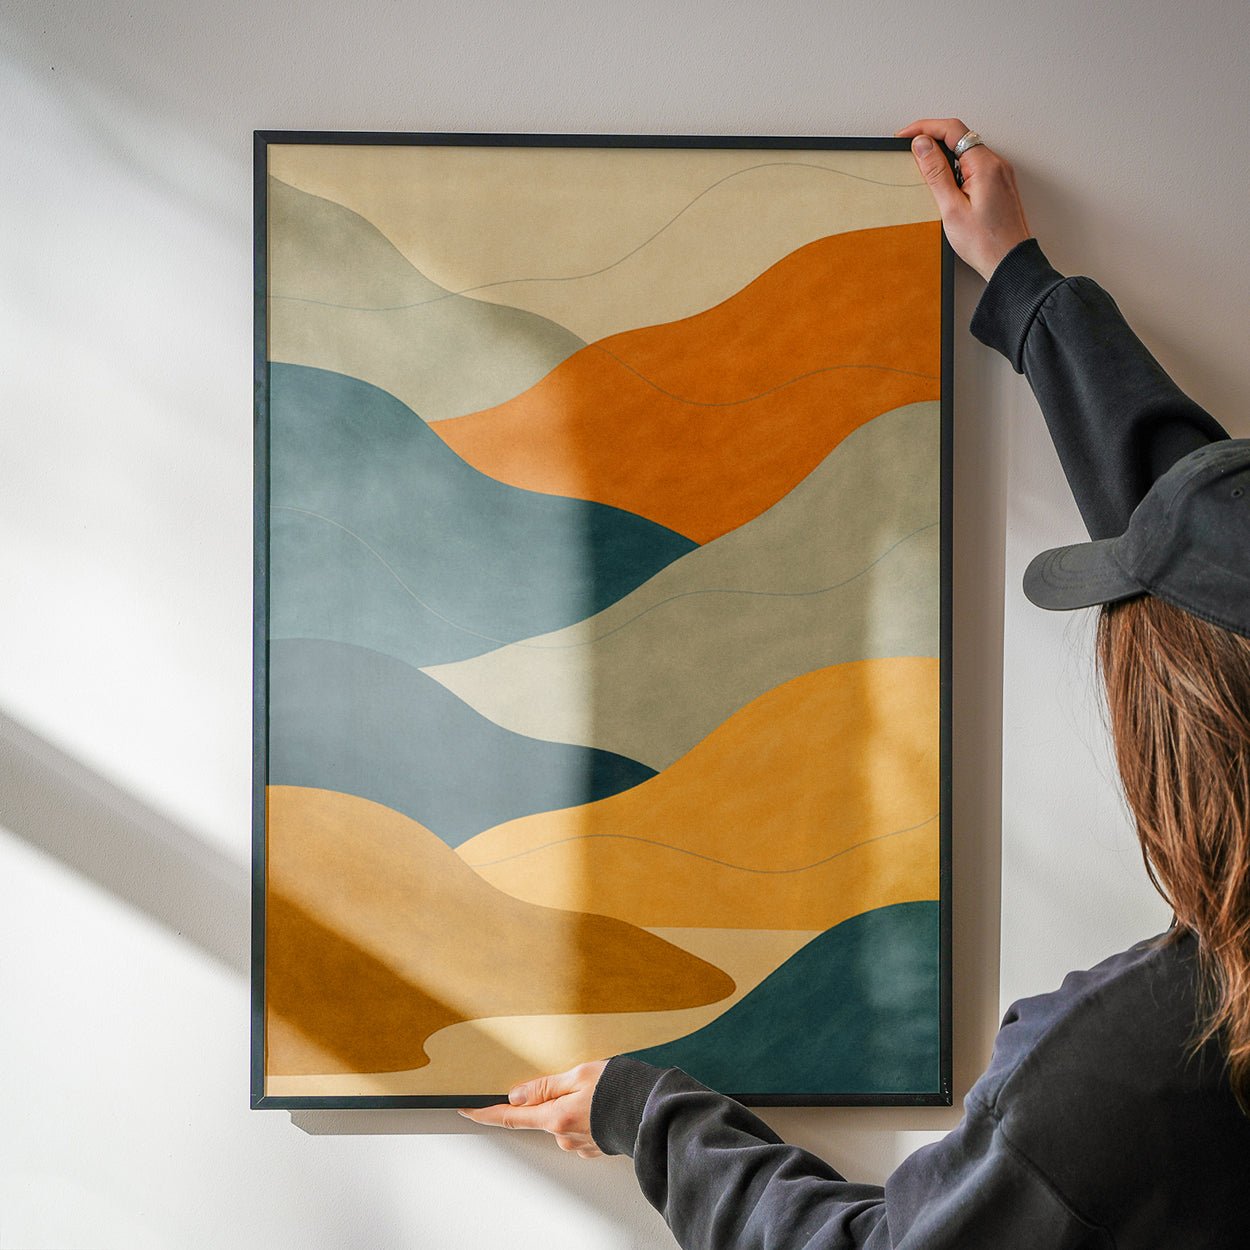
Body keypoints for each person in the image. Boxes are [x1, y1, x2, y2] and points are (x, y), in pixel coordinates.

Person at [460, 117, 1250, 1247]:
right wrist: (1026, 292)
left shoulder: (1132, 1074)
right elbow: (1208, 545)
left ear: (1176, 727)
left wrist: (646, 1113)